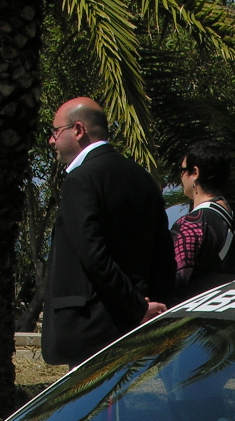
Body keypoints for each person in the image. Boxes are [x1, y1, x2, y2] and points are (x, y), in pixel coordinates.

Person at [41, 97, 175, 367]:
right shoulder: (143, 179)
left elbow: (93, 255)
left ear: (78, 130)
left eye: (55, 131)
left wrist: (136, 307)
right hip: (137, 327)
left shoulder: (80, 180)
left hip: (91, 328)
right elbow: (163, 253)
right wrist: (156, 308)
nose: (51, 141)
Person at [171, 141, 235, 298]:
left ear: (195, 172)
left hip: (192, 310)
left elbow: (174, 282)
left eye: (182, 170)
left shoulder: (192, 224)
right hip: (229, 309)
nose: (181, 176)